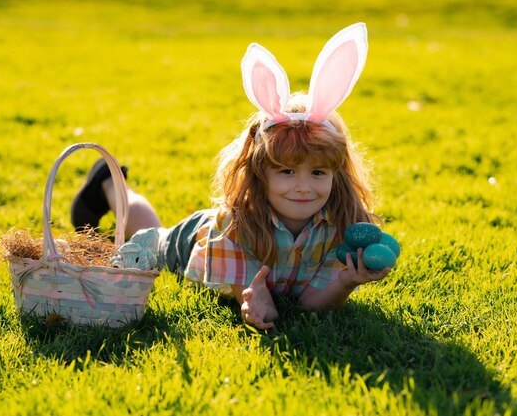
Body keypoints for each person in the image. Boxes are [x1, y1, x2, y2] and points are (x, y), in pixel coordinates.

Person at [71, 23, 391, 329]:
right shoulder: (236, 225)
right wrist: (250, 300)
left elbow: (308, 304)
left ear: (337, 174)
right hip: (193, 241)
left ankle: (110, 185)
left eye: (319, 172)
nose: (303, 187)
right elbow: (251, 296)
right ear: (259, 173)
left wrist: (345, 282)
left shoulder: (337, 226)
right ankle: (111, 185)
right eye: (287, 171)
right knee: (153, 238)